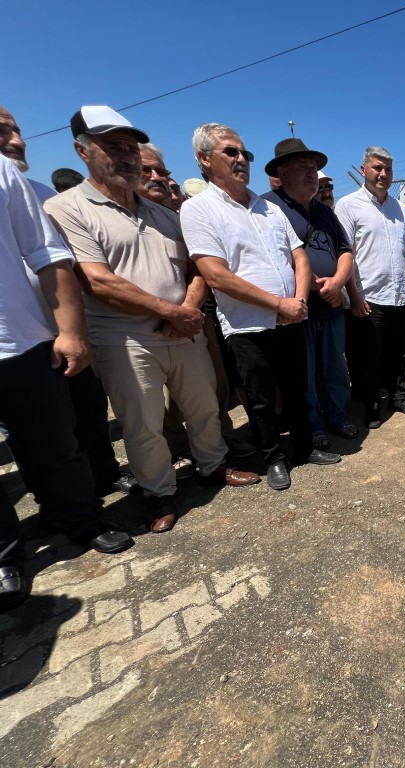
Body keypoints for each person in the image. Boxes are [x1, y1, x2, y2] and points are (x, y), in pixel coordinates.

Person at [46, 106, 260, 532]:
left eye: (130, 147)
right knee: (143, 423)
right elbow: (97, 282)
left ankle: (212, 466)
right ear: (82, 151)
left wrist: (189, 310)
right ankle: (159, 492)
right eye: (113, 147)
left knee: (203, 406)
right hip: (123, 338)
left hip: (183, 329)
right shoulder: (66, 208)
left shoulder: (162, 212)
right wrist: (172, 312)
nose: (125, 156)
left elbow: (196, 267)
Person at [1, 155, 133, 612]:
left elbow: (46, 252)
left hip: (16, 339)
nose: (15, 140)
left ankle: (82, 519)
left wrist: (71, 331)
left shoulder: (1, 171)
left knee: (54, 440)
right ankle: (6, 556)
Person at [180, 122, 341, 492]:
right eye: (230, 152)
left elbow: (298, 255)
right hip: (248, 325)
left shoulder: (265, 207)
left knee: (298, 387)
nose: (241, 159)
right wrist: (276, 303)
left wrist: (297, 302)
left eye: (244, 153)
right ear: (204, 159)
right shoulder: (199, 210)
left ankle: (303, 448)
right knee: (261, 398)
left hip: (290, 318)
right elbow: (215, 274)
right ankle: (274, 459)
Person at [0, 104, 135, 495]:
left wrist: (72, 328)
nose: (18, 141)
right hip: (22, 335)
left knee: (87, 412)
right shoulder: (54, 199)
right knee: (40, 434)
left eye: (17, 130)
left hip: (62, 326)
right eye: (3, 132)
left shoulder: (43, 196)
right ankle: (59, 503)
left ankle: (104, 477)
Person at [263, 138, 358, 445]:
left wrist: (337, 282)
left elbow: (345, 251)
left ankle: (337, 416)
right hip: (298, 310)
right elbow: (270, 257)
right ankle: (312, 425)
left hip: (330, 305)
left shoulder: (324, 212)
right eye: (302, 167)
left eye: (314, 168)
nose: (312, 174)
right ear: (283, 173)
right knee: (303, 373)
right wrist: (315, 284)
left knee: (334, 367)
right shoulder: (267, 208)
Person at [335, 147, 405, 429]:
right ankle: (372, 404)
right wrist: (355, 296)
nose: (383, 174)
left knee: (399, 353)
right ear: (363, 170)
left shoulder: (399, 208)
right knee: (368, 357)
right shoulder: (348, 206)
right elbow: (344, 254)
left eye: (388, 169)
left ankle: (397, 396)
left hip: (399, 296)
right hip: (368, 298)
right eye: (377, 168)